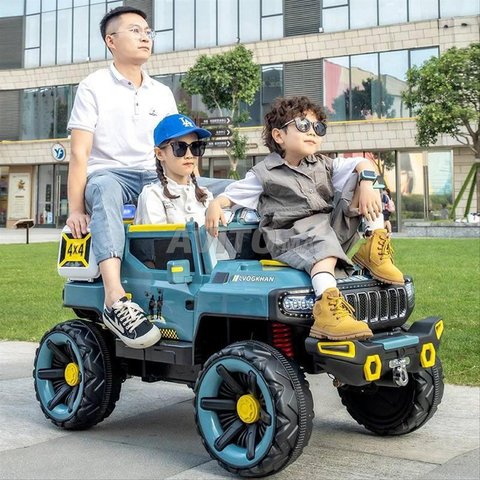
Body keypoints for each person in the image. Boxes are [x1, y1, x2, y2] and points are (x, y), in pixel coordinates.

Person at [205, 96, 404, 341]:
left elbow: (362, 162)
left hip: (328, 230)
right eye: (303, 125)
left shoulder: (324, 164)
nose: (312, 132)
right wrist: (216, 204)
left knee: (364, 176)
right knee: (320, 236)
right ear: (279, 135)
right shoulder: (264, 173)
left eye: (318, 127)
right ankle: (328, 306)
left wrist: (366, 182)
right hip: (292, 237)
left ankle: (375, 245)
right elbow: (232, 196)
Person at [66, 6, 178, 349]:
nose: (145, 37)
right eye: (135, 30)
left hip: (153, 174)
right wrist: (76, 209)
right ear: (111, 41)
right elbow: (80, 153)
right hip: (109, 175)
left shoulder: (162, 92)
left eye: (148, 31)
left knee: (214, 192)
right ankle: (114, 299)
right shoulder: (93, 86)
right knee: (105, 189)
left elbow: (177, 148)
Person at [134, 114, 213, 224]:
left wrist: (217, 204)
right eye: (180, 147)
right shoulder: (153, 195)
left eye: (196, 146)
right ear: (159, 153)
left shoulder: (206, 195)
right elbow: (156, 235)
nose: (189, 155)